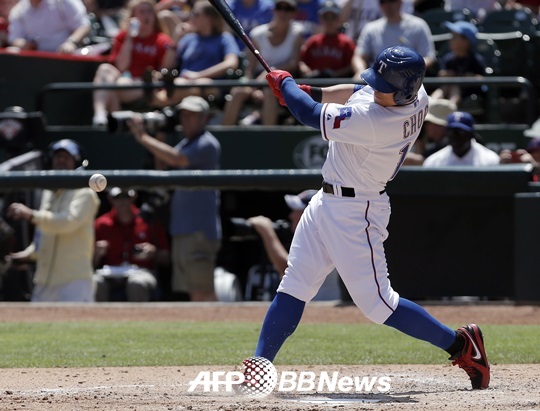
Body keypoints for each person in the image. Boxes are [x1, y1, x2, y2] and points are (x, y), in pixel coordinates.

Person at [241, 45, 490, 391]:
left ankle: (461, 346)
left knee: (377, 305)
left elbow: (310, 115)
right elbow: (356, 91)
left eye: (383, 86)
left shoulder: (377, 123)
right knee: (295, 283)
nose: (375, 88)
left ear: (401, 91)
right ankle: (261, 365)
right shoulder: (415, 95)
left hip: (357, 211)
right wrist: (303, 89)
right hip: (326, 201)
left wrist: (288, 88)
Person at [127, 95, 221, 302]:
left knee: (202, 291)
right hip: (184, 230)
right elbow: (163, 166)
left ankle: (218, 327)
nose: (185, 119)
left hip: (198, 231)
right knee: (192, 291)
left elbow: (175, 159)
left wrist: (142, 137)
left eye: (191, 115)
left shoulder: (207, 143)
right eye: (183, 115)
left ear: (204, 119)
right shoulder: (187, 143)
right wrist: (159, 134)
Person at [6, 139, 100, 302]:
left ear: (76, 162)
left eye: (66, 157)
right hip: (44, 281)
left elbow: (67, 223)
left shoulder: (85, 193)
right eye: (57, 157)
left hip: (74, 283)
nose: (61, 161)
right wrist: (29, 254)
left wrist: (31, 215)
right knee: (34, 327)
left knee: (77, 327)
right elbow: (43, 233)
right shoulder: (48, 193)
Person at [91, 0, 176, 126]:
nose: (146, 15)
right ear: (133, 17)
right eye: (142, 12)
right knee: (105, 69)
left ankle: (114, 122)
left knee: (116, 86)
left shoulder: (162, 40)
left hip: (147, 85)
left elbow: (165, 70)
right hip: (125, 79)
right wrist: (130, 37)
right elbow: (121, 66)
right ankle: (100, 115)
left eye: (149, 11)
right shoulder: (123, 37)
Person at [220, 0, 304, 126]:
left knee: (269, 91)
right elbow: (249, 68)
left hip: (283, 79)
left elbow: (293, 63)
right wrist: (253, 87)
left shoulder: (297, 32)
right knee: (238, 92)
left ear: (294, 13)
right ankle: (224, 136)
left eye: (288, 9)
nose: (283, 13)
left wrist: (270, 74)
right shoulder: (258, 34)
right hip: (257, 79)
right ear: (274, 10)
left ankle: (268, 137)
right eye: (280, 8)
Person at [247, 189, 341, 301]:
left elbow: (288, 270)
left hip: (324, 308)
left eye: (298, 210)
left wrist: (267, 231)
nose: (291, 215)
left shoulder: (323, 235)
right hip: (316, 305)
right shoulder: (328, 231)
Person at [149, 0, 241, 108]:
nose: (191, 17)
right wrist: (175, 40)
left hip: (210, 85)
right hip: (183, 82)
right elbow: (166, 66)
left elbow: (231, 63)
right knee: (178, 84)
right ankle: (159, 97)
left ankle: (157, 98)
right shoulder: (188, 39)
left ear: (209, 18)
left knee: (193, 84)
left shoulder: (224, 38)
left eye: (196, 14)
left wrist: (198, 76)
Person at [93, 187, 170, 302]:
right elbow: (88, 262)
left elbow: (166, 258)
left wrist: (153, 252)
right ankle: (98, 320)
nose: (122, 201)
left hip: (141, 271)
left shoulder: (148, 221)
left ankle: (139, 320)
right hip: (109, 273)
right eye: (117, 197)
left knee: (136, 283)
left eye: (126, 197)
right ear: (110, 199)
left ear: (134, 197)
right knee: (95, 282)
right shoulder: (100, 224)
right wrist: (96, 253)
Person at [351, 0, 435, 78]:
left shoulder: (418, 25)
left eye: (391, 1)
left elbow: (429, 57)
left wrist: (408, 71)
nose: (387, 5)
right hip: (377, 80)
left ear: (400, 2)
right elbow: (358, 56)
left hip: (408, 82)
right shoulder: (371, 28)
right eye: (383, 2)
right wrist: (360, 71)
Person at [430, 21, 486, 107]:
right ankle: (430, 106)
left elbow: (481, 79)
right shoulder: (448, 58)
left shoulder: (475, 59)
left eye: (455, 37)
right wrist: (447, 74)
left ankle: (450, 108)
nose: (451, 40)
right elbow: (441, 73)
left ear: (467, 41)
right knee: (445, 87)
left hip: (468, 92)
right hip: (447, 88)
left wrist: (470, 77)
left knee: (454, 86)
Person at [298, 0, 356, 79]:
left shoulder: (346, 42)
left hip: (338, 84)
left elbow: (352, 66)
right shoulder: (313, 41)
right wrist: (305, 69)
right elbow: (301, 61)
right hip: (314, 84)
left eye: (333, 17)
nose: (329, 21)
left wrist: (334, 74)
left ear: (338, 18)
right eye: (326, 17)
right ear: (320, 19)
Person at [7, 0, 91, 53]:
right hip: (35, 60)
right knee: (11, 52)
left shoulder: (63, 2)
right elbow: (15, 37)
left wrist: (71, 42)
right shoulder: (19, 10)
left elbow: (84, 26)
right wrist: (24, 44)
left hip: (66, 58)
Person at [423, 111, 500, 166]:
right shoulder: (434, 162)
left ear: (471, 134)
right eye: (452, 131)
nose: (455, 136)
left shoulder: (490, 160)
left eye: (461, 131)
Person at [404, 98, 457, 165]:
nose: (426, 126)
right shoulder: (429, 139)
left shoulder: (451, 143)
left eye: (430, 123)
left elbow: (422, 162)